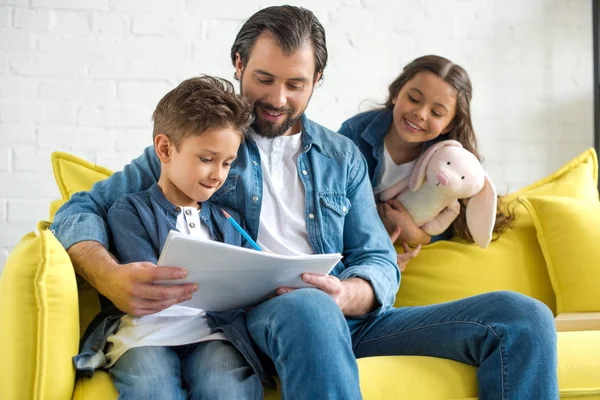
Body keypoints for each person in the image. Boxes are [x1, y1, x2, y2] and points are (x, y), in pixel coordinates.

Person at [52, 6, 559, 399]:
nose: (277, 99)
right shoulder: (204, 145)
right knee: (308, 309)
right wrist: (108, 277)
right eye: (264, 80)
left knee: (522, 318)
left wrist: (349, 294)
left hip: (347, 318)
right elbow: (77, 212)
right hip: (253, 323)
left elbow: (378, 259)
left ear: (317, 81)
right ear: (238, 65)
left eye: (296, 84)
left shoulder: (342, 157)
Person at [72, 76, 267, 399]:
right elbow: (150, 281)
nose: (218, 174)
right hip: (147, 334)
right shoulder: (128, 211)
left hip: (210, 333)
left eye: (227, 163)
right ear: (165, 149)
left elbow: (251, 277)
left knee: (227, 386)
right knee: (152, 386)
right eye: (206, 159)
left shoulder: (229, 220)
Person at [338, 55, 514, 269]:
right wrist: (378, 247)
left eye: (436, 113)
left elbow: (453, 222)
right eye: (413, 98)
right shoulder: (354, 136)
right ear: (395, 93)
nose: (420, 114)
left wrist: (418, 235)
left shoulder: (448, 160)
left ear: (449, 125)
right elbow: (333, 208)